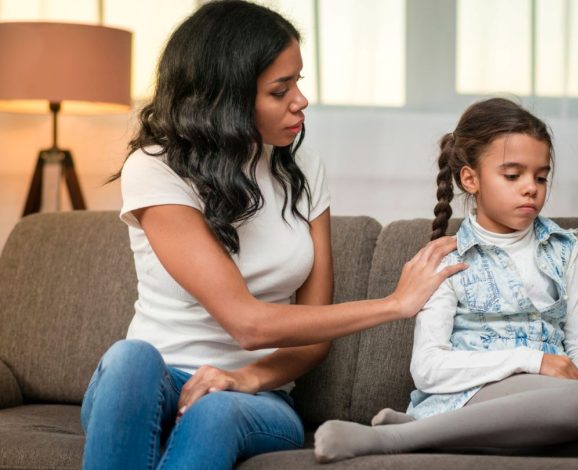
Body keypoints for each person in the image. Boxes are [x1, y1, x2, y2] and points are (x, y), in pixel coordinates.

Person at [79, 1, 465, 469]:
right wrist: (394, 304)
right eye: (280, 90)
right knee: (129, 359)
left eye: (297, 81)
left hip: (257, 398)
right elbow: (247, 324)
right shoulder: (156, 167)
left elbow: (312, 337)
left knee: (217, 409)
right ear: (226, 98)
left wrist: (246, 379)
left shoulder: (303, 169)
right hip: (152, 385)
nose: (300, 100)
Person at [313, 98, 578, 463]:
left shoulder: (565, 248)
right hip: (475, 395)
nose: (530, 188)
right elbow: (427, 369)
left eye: (540, 176)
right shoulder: (447, 258)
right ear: (471, 179)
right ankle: (396, 438)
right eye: (513, 175)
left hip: (559, 400)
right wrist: (533, 361)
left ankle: (460, 437)